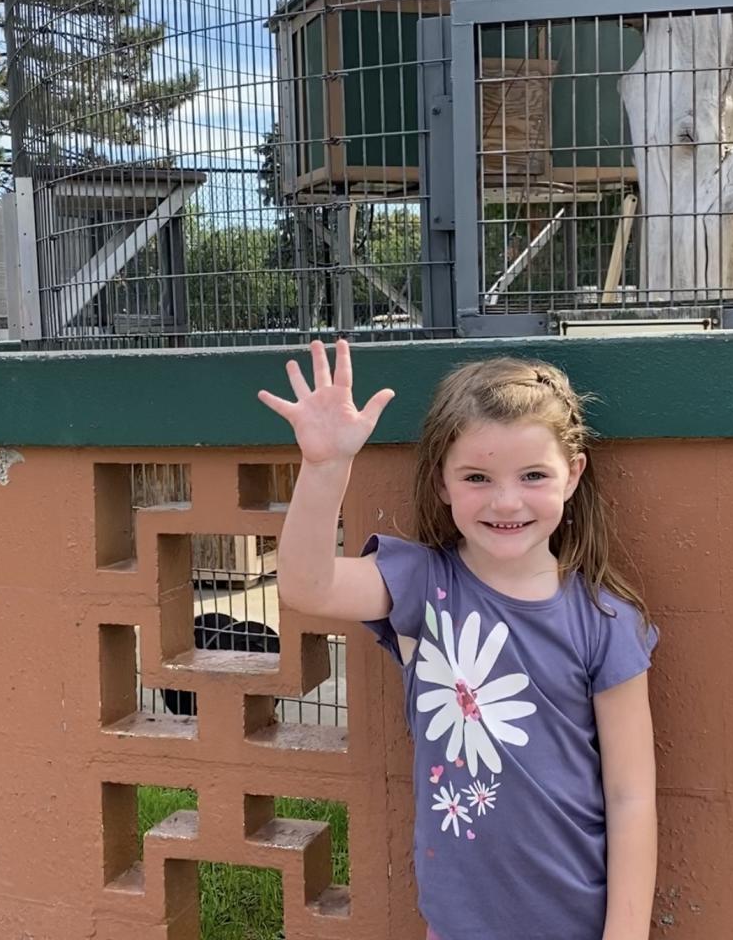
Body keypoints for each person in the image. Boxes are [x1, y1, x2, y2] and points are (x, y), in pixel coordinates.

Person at [258, 338, 658, 940]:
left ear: (572, 475)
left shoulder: (605, 621)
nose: (505, 501)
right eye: (477, 476)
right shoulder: (424, 583)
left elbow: (631, 798)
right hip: (456, 924)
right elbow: (308, 586)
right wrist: (324, 467)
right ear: (442, 482)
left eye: (532, 476)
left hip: (576, 923)